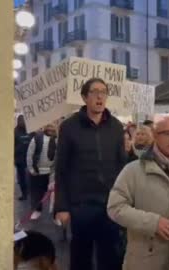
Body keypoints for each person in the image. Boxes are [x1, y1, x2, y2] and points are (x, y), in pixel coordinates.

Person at [107, 116, 169, 270]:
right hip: (144, 261)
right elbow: (115, 207)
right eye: (167, 133)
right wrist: (153, 223)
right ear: (155, 136)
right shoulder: (134, 170)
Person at [54, 78, 126, 270]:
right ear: (85, 97)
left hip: (110, 205)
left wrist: (125, 200)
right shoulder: (69, 127)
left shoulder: (117, 127)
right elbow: (61, 169)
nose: (100, 96)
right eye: (94, 91)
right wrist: (62, 206)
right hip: (81, 206)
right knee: (80, 258)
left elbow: (122, 167)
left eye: (103, 91)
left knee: (111, 257)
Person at [26, 123, 57, 220]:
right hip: (37, 171)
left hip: (51, 172)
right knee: (36, 193)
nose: (51, 127)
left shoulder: (58, 140)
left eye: (53, 124)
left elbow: (59, 157)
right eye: (49, 125)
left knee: (55, 195)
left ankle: (55, 214)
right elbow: (29, 154)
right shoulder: (37, 138)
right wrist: (31, 169)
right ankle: (37, 210)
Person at [15, 115, 35, 200]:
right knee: (22, 178)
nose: (22, 122)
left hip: (30, 158)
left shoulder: (31, 130)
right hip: (20, 159)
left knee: (31, 176)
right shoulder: (15, 132)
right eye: (20, 121)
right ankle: (24, 194)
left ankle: (31, 192)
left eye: (23, 120)